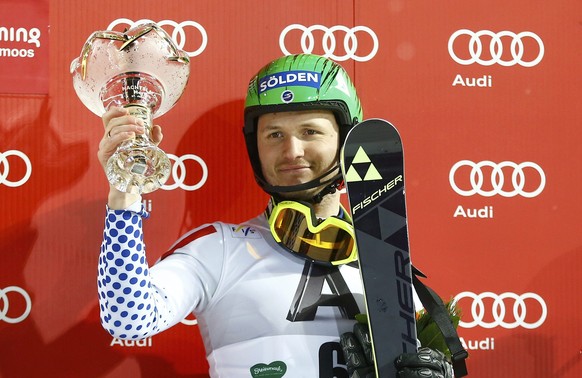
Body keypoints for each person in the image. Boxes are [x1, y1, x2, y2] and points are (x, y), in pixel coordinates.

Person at [97, 53, 454, 377]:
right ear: (255, 147)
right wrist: (125, 190)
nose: (292, 151)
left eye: (310, 132)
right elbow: (127, 318)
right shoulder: (220, 249)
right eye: (274, 135)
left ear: (347, 140)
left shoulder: (386, 260)